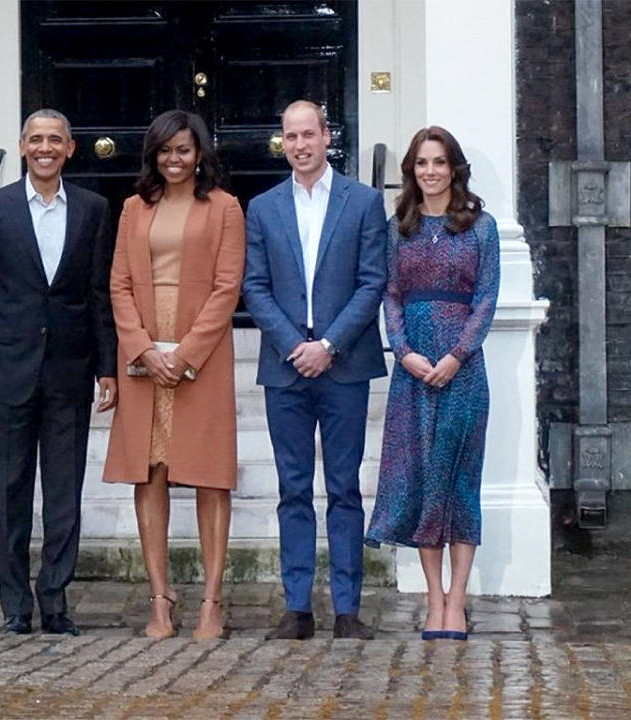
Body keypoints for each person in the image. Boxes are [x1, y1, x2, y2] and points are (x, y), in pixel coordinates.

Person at [0, 109, 117, 637]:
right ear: (22, 146)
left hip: (71, 369)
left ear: (70, 148)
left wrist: (108, 366)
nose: (45, 148)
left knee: (65, 490)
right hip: (6, 368)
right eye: (36, 139)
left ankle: (56, 597)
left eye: (55, 140)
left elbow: (98, 293)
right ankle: (15, 605)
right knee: (10, 489)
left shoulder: (93, 209)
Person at [242, 100, 387, 640]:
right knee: (293, 487)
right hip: (285, 369)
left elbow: (372, 281)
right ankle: (297, 605)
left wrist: (328, 343)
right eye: (290, 136)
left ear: (328, 136)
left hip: (344, 364)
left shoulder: (364, 202)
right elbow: (253, 286)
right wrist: (291, 344)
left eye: (309, 134)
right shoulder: (262, 207)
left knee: (345, 487)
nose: (300, 145)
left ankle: (348, 607)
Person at [103, 109, 245, 640]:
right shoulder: (134, 209)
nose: (174, 159)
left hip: (200, 352)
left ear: (200, 152)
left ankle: (211, 600)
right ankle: (160, 598)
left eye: (183, 149)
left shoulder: (226, 208)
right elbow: (118, 284)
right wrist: (141, 346)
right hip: (143, 352)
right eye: (164, 150)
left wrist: (185, 353)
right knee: (151, 469)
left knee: (208, 473)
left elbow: (228, 287)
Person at [365, 127, 499, 641]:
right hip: (413, 372)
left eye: (439, 162)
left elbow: (486, 299)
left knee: (460, 483)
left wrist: (456, 355)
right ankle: (434, 599)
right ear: (411, 171)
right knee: (423, 481)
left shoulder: (481, 227)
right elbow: (391, 296)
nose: (430, 171)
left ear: (454, 168)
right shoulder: (399, 226)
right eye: (421, 163)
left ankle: (458, 600)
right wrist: (405, 353)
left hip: (463, 372)